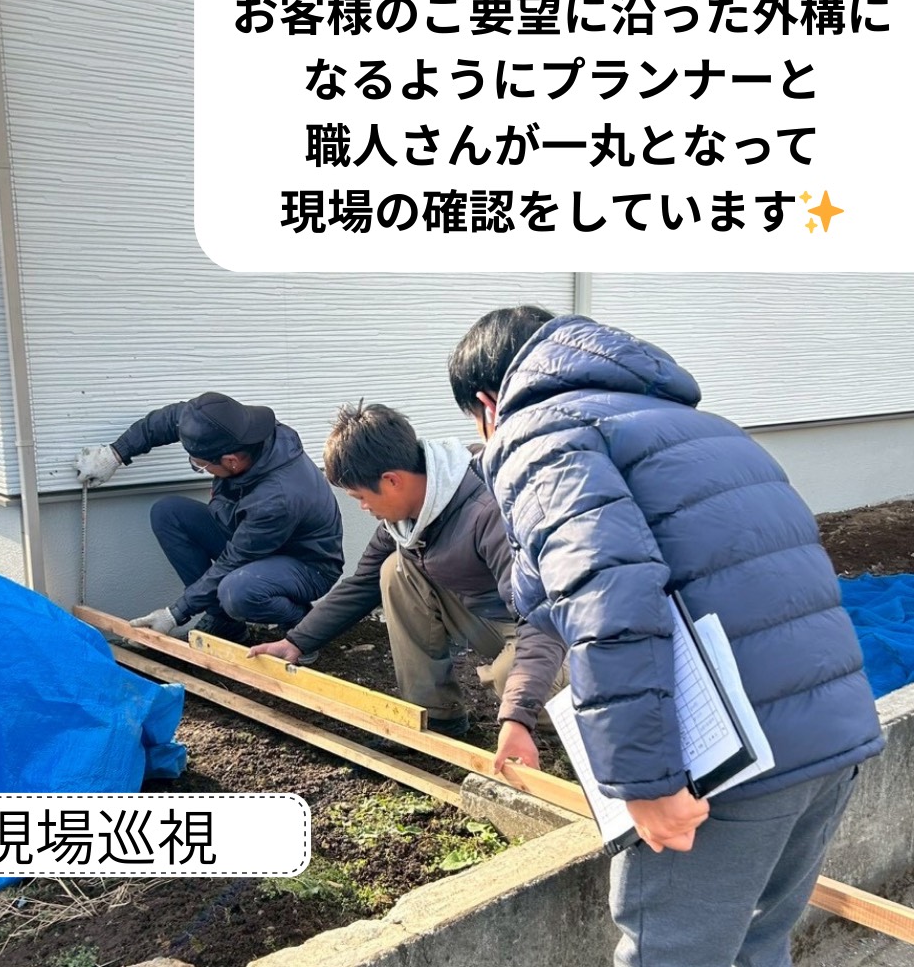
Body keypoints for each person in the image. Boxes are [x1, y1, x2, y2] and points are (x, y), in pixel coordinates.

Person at [447, 306, 884, 967]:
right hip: (832, 736)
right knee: (759, 944)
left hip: (732, 765)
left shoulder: (538, 436)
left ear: (488, 404)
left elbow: (607, 601)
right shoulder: (708, 428)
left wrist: (646, 782)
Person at [248, 402, 568, 736]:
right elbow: (363, 583)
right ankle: (438, 718)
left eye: (361, 497)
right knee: (395, 570)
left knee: (511, 678)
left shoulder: (488, 510)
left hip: (559, 631)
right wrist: (297, 641)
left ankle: (586, 722)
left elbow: (541, 620)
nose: (363, 507)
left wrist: (516, 712)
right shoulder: (407, 519)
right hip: (499, 617)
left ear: (391, 481)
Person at [75, 392, 344, 642]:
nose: (200, 468)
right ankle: (224, 621)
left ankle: (302, 626)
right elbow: (168, 421)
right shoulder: (227, 428)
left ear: (231, 461)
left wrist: (175, 614)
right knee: (169, 513)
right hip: (253, 537)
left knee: (236, 592)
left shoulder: (276, 497)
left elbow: (234, 561)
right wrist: (115, 453)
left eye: (201, 465)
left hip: (307, 565)